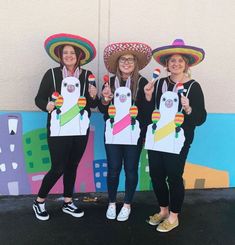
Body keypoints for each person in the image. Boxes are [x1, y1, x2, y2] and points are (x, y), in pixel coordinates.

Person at [33, 33, 98, 221]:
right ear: (60, 56)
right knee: (58, 167)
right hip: (58, 128)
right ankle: (39, 201)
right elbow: (39, 98)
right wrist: (48, 106)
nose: (68, 55)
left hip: (79, 129)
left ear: (79, 56)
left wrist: (93, 95)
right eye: (65, 52)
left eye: (72, 52)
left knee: (72, 165)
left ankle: (68, 201)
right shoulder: (52, 74)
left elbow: (92, 105)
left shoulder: (87, 76)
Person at [144, 39, 207, 232]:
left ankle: (174, 216)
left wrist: (188, 108)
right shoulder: (159, 83)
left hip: (179, 140)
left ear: (186, 64)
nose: (176, 64)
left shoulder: (193, 87)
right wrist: (147, 97)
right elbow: (148, 113)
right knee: (156, 174)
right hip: (157, 137)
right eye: (172, 60)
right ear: (166, 65)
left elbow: (200, 118)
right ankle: (163, 211)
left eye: (180, 61)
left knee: (173, 176)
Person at [98, 42, 152, 221]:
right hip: (113, 134)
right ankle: (112, 203)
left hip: (133, 135)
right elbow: (102, 109)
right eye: (123, 59)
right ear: (117, 63)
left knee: (130, 170)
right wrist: (105, 100)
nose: (127, 62)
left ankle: (127, 204)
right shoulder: (109, 82)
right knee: (113, 169)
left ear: (136, 63)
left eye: (130, 59)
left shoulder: (143, 82)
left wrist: (148, 98)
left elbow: (148, 113)